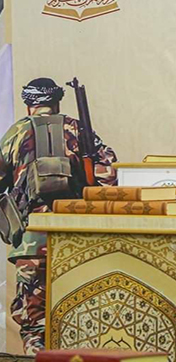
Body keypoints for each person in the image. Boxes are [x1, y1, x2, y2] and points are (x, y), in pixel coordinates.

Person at [0, 78, 118, 354]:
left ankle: (36, 354)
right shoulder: (77, 129)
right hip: (76, 238)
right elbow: (108, 176)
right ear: (57, 102)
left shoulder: (17, 132)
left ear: (29, 104)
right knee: (78, 309)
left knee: (34, 319)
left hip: (31, 240)